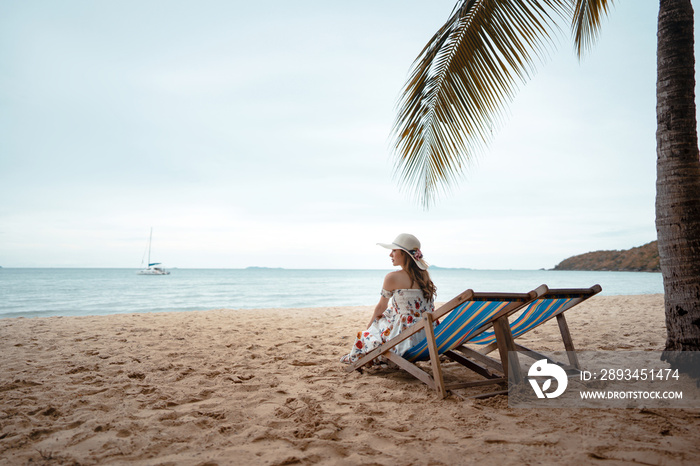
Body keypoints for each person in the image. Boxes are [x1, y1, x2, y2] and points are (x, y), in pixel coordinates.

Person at [340, 233, 437, 364]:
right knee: (388, 315)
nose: (390, 254)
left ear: (404, 254)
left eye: (394, 251)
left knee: (373, 328)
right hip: (428, 337)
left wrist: (369, 327)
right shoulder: (425, 277)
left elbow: (381, 306)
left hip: (405, 339)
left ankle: (359, 354)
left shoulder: (392, 277)